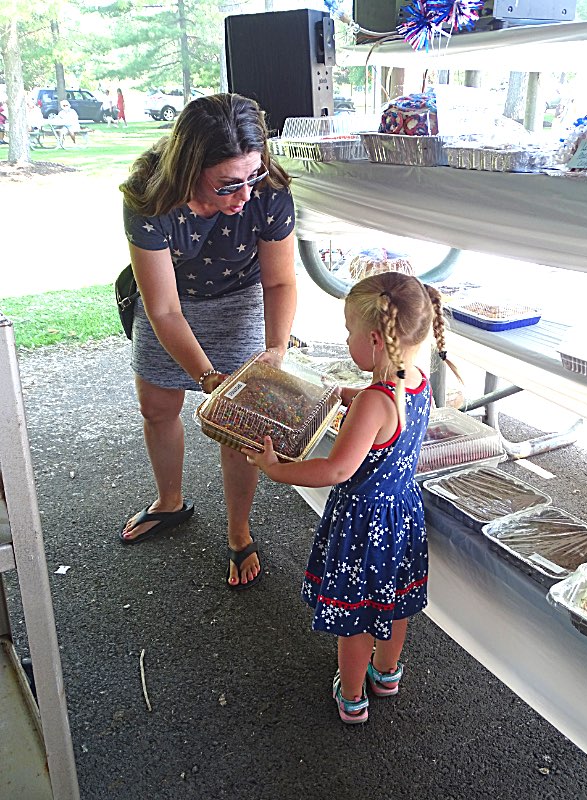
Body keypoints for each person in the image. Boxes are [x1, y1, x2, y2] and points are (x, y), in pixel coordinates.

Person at [243, 272, 461, 723]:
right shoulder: (414, 379)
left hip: (363, 523)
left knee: (356, 615)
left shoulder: (373, 403)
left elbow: (336, 468)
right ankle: (387, 673)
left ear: (377, 339)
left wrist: (276, 469)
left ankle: (353, 696)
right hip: (402, 515)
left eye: (349, 332)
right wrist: (342, 394)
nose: (346, 340)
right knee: (394, 601)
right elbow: (379, 405)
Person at [118, 93, 296, 592]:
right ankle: (169, 501)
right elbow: (164, 309)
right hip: (171, 300)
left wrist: (275, 349)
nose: (244, 195)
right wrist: (206, 376)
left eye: (252, 176)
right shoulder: (148, 193)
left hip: (239, 298)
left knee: (237, 426)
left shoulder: (268, 191)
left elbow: (279, 283)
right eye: (228, 184)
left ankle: (239, 531)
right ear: (191, 168)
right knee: (157, 407)